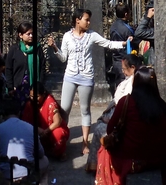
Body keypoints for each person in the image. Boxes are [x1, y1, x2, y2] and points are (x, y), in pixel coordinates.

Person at [49, 8, 129, 155]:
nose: (88, 22)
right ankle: (62, 141)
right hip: (70, 76)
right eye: (86, 19)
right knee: (64, 110)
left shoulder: (91, 35)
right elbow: (63, 58)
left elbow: (108, 44)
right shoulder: (67, 36)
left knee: (85, 110)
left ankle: (85, 143)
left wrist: (123, 43)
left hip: (86, 77)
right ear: (77, 20)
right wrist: (54, 47)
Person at [94, 67, 166, 185]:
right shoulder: (162, 104)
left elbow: (110, 129)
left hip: (132, 159)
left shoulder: (126, 102)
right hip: (158, 158)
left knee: (104, 149)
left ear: (135, 82)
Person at [86, 54, 142, 173]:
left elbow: (118, 119)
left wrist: (110, 120)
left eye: (124, 69)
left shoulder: (133, 87)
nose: (123, 72)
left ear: (133, 68)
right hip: (118, 114)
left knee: (100, 129)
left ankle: (98, 166)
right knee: (100, 124)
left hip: (123, 123)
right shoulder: (130, 81)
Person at [0, 99, 48, 182]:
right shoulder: (30, 128)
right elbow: (41, 153)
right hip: (27, 174)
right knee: (45, 160)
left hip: (4, 175)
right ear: (19, 113)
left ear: (3, 114)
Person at [21, 82, 69, 160]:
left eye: (37, 97)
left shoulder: (51, 103)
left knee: (58, 133)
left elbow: (57, 121)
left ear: (43, 94)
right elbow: (25, 122)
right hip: (36, 131)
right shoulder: (29, 104)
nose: (34, 99)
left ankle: (58, 152)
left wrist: (45, 131)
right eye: (31, 96)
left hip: (50, 131)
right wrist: (37, 129)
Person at [5, 21, 42, 94]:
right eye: (28, 34)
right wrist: (10, 87)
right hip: (17, 87)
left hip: (34, 88)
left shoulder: (37, 48)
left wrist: (40, 85)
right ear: (20, 35)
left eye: (32, 33)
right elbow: (8, 69)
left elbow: (42, 67)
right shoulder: (14, 49)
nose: (31, 36)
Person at [107, 4, 136, 92]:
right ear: (126, 14)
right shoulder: (126, 29)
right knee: (125, 83)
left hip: (116, 58)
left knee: (119, 82)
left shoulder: (113, 26)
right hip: (124, 58)